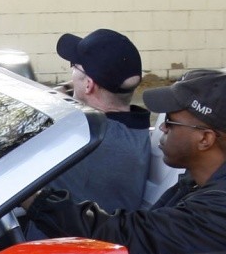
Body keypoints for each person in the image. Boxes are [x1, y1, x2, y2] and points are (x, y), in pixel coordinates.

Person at [25, 69, 226, 254]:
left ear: (205, 139)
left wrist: (34, 199)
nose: (163, 128)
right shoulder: (210, 180)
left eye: (171, 121)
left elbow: (125, 236)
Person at [49, 28, 151, 212]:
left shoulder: (85, 139)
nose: (71, 72)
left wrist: (62, 91)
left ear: (89, 85)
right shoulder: (134, 129)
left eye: (74, 66)